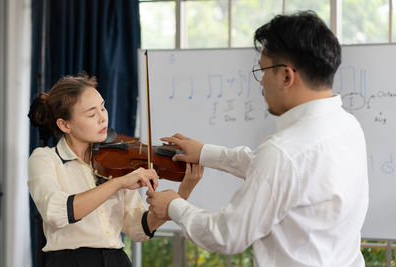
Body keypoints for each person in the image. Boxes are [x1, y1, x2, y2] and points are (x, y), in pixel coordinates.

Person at [146, 11, 369, 267]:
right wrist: (205, 152)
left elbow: (227, 234)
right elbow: (283, 177)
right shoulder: (347, 126)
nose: (261, 81)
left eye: (263, 70)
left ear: (287, 76)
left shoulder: (283, 153)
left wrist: (174, 206)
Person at [27, 73, 204, 267]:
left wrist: (183, 193)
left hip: (116, 260)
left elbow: (139, 228)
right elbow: (56, 212)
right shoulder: (45, 158)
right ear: (65, 124)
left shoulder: (116, 162)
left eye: (103, 107)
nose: (103, 118)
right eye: (92, 114)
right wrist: (118, 182)